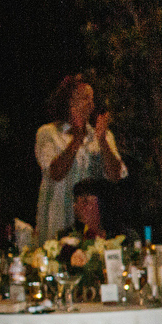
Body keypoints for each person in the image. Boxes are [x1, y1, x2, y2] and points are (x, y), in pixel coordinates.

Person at [34, 74, 124, 241]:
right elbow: (55, 173)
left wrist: (103, 141)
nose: (90, 104)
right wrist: (76, 139)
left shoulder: (102, 136)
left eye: (92, 99)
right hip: (58, 219)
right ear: (68, 102)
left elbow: (115, 176)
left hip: (92, 225)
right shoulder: (49, 133)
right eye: (84, 98)